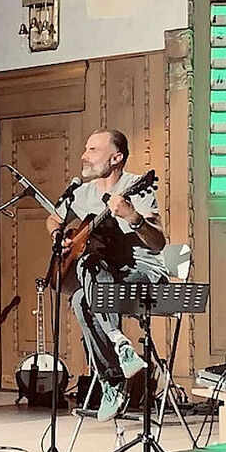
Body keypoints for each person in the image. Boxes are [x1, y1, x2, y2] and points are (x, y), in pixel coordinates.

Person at [46, 129, 168, 421]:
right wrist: (58, 235)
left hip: (140, 274)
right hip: (102, 277)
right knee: (80, 294)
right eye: (86, 149)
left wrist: (132, 217)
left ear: (116, 158)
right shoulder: (83, 193)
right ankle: (119, 360)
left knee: (84, 286)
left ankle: (113, 375)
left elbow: (159, 242)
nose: (84, 156)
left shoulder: (137, 187)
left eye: (93, 150)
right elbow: (53, 217)